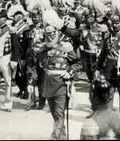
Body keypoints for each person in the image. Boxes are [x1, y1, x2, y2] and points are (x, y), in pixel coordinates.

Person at [37, 9, 81, 140]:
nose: (50, 36)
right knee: (54, 114)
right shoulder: (45, 48)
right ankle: (62, 136)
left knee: (59, 113)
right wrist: (42, 50)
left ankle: (54, 137)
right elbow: (42, 64)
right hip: (49, 83)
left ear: (57, 32)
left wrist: (69, 73)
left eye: (52, 33)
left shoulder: (66, 46)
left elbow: (77, 63)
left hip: (62, 83)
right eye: (47, 34)